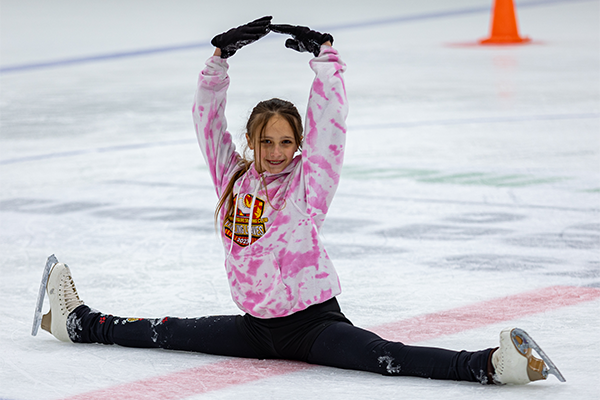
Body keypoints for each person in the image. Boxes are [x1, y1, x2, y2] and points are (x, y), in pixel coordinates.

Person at [37, 16, 562, 386]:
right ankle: (79, 322)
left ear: (298, 144)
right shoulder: (231, 177)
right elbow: (206, 122)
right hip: (254, 327)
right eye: (266, 141)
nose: (276, 151)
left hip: (314, 325)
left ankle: (492, 365)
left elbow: (330, 125)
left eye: (287, 141)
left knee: (385, 356)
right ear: (252, 141)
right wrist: (217, 62)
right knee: (168, 332)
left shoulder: (307, 186)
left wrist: (325, 60)